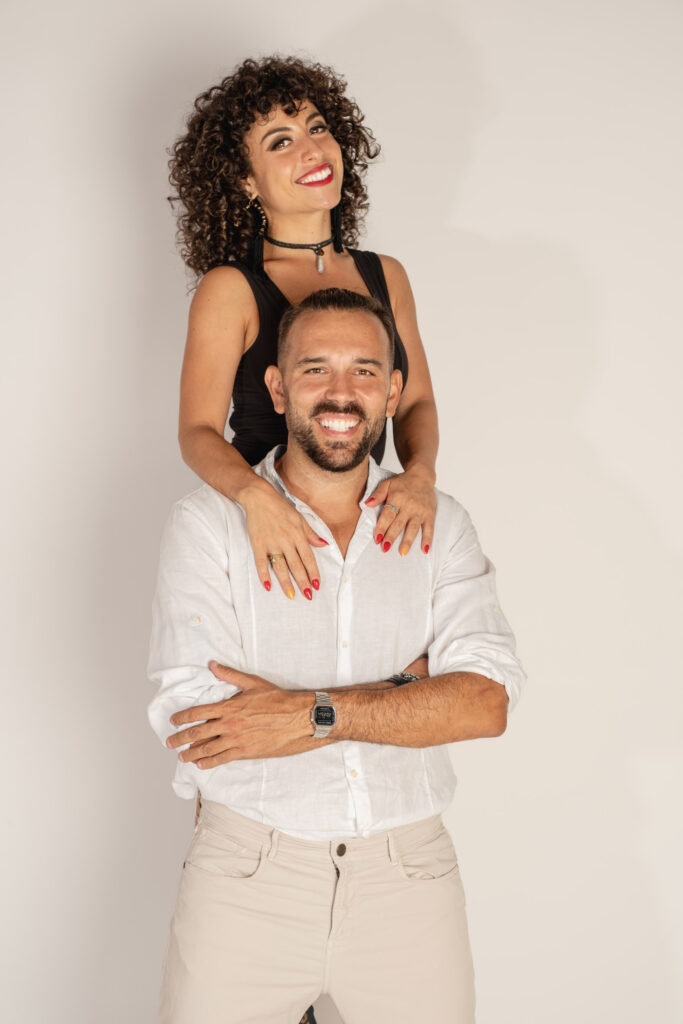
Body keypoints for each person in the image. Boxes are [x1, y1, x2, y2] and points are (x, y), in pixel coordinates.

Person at [148, 288, 525, 1024]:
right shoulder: (207, 526)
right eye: (315, 369)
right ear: (277, 386)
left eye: (363, 370)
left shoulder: (441, 526)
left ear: (392, 392)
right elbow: (200, 722)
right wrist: (405, 690)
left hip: (407, 879)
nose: (340, 393)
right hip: (247, 879)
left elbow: (483, 702)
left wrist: (309, 712)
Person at [169, 55, 440, 602]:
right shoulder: (232, 288)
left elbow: (413, 404)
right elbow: (196, 433)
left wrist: (419, 477)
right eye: (280, 141)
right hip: (264, 530)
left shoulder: (386, 275)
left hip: (363, 520)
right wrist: (258, 500)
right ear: (246, 181)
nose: (312, 149)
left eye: (317, 128)